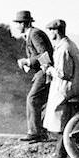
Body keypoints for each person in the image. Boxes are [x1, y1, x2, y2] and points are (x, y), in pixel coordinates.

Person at [42, 19, 79, 158]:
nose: (49, 33)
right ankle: (61, 151)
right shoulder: (66, 45)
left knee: (61, 119)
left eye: (50, 30)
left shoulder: (64, 48)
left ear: (56, 31)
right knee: (62, 121)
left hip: (68, 88)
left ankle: (61, 152)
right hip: (71, 86)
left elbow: (64, 73)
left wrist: (49, 69)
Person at [13, 10, 54, 142]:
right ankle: (40, 132)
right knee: (38, 101)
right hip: (41, 72)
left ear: (24, 23)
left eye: (18, 23)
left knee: (32, 99)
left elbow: (45, 55)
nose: (17, 26)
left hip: (44, 72)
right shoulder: (31, 34)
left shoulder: (35, 34)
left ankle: (35, 133)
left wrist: (27, 61)